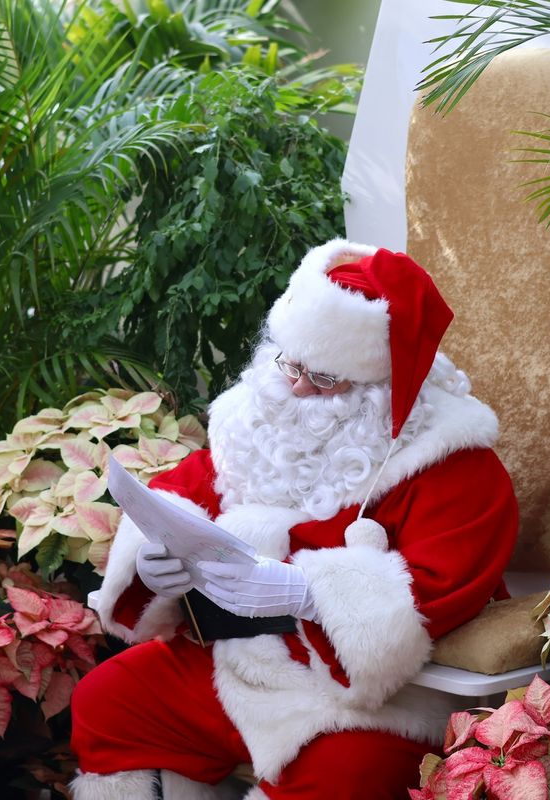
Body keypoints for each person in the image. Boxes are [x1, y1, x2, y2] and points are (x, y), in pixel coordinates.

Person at [70, 241, 520, 800]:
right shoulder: (257, 416)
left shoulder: (453, 461)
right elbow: (181, 493)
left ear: (386, 385)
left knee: (347, 773)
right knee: (110, 701)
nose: (299, 387)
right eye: (291, 364)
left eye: (326, 380)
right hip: (240, 661)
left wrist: (307, 595)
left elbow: (443, 585)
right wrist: (151, 560)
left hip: (371, 698)